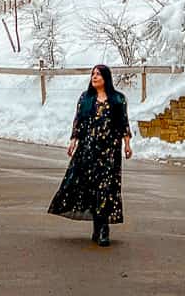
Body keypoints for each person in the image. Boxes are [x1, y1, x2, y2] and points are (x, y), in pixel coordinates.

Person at [48, 63, 133, 246]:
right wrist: (73, 141)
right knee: (90, 186)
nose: (94, 77)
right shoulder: (85, 99)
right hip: (88, 150)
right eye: (93, 74)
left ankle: (104, 229)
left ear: (106, 78)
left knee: (106, 188)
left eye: (98, 74)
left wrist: (127, 144)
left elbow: (123, 123)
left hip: (109, 151)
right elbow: (78, 121)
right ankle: (97, 224)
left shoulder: (118, 99)